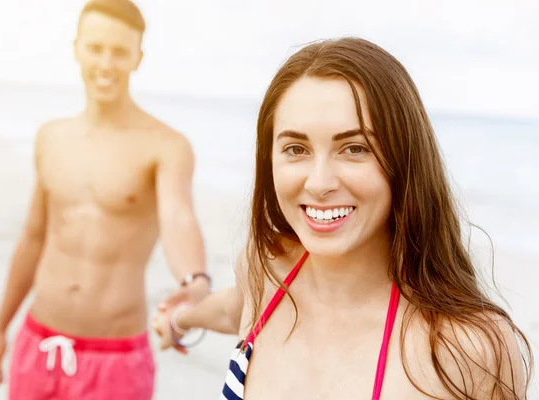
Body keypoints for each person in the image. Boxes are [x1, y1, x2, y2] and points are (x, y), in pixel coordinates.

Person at [153, 37, 534, 399]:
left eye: (354, 148)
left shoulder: (465, 350)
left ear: (404, 161)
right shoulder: (268, 268)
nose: (319, 183)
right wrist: (181, 319)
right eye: (296, 148)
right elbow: (232, 307)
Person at [0, 0, 211, 399]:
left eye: (120, 51)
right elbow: (33, 237)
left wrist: (195, 281)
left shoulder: (166, 146)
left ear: (138, 57)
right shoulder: (51, 137)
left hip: (115, 360)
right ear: (76, 48)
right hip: (38, 343)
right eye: (96, 47)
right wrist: (0, 328)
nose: (106, 63)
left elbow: (178, 217)